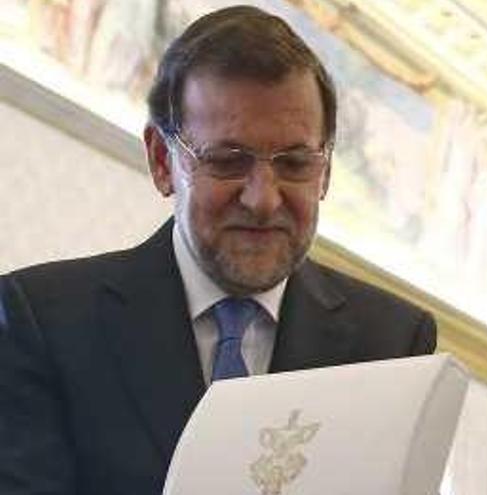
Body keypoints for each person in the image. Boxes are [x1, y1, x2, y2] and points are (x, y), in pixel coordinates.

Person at [0, 6, 436, 495]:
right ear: (163, 161)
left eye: (295, 163)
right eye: (228, 161)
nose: (263, 199)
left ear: (327, 171)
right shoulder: (43, 321)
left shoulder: (393, 345)